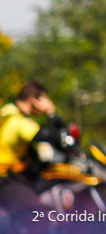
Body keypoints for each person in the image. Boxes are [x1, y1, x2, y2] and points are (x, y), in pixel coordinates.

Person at [0, 81, 66, 209]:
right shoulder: (19, 121)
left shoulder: (6, 112)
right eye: (44, 99)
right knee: (38, 211)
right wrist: (51, 113)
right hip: (5, 178)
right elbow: (51, 136)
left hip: (9, 175)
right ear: (33, 100)